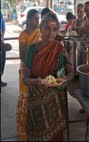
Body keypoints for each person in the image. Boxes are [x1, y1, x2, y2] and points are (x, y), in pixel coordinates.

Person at [23, 13, 74, 141]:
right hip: (36, 102)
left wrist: (66, 79)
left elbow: (71, 71)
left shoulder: (59, 48)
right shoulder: (32, 50)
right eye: (47, 28)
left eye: (55, 29)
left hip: (56, 102)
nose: (51, 33)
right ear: (40, 28)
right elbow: (26, 78)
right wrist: (37, 81)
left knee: (56, 136)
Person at [16, 9, 41, 141]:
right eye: (35, 19)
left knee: (35, 98)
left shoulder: (40, 33)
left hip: (38, 70)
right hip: (26, 70)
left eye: (38, 19)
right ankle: (23, 130)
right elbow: (22, 55)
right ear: (29, 19)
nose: (38, 21)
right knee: (25, 97)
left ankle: (35, 127)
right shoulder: (23, 35)